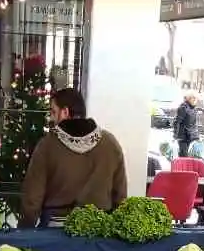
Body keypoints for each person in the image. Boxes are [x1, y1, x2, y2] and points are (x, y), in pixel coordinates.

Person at [20, 87, 127, 226]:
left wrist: (24, 231)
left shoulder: (47, 144)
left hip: (55, 230)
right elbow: (120, 196)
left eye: (53, 112)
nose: (51, 118)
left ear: (65, 112)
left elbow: (32, 198)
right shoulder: (110, 143)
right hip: (99, 231)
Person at [173, 92, 203, 157]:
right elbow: (177, 122)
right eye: (193, 98)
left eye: (196, 98)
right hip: (183, 137)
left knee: (191, 157)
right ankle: (181, 166)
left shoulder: (194, 108)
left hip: (191, 136)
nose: (195, 100)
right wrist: (175, 135)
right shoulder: (183, 108)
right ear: (189, 98)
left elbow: (194, 124)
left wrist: (197, 136)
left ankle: (184, 166)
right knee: (184, 155)